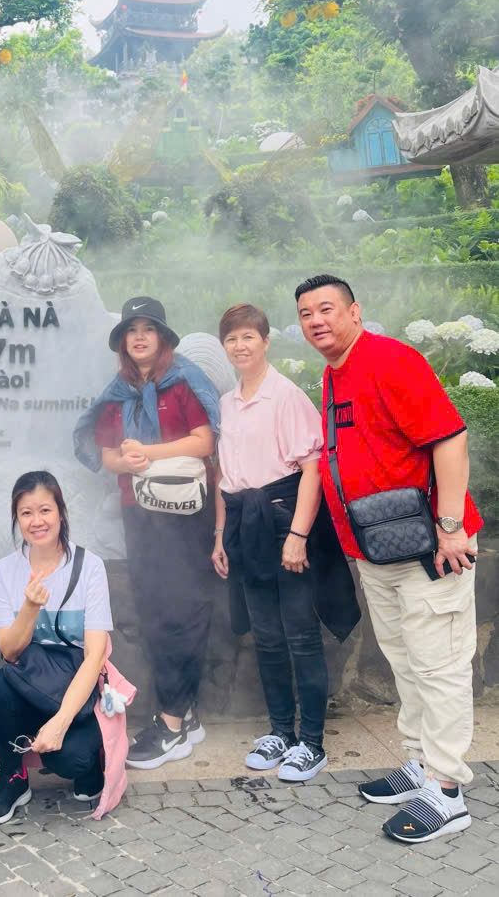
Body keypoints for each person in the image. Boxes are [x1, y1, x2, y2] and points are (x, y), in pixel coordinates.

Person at [296, 274, 482, 843]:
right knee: (406, 661)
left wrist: (450, 527)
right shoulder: (336, 373)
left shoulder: (389, 361)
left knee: (438, 666)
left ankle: (446, 791)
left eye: (326, 308)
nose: (316, 320)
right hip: (379, 552)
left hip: (430, 548)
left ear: (355, 312)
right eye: (305, 314)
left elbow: (449, 438)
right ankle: (420, 762)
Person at [212, 303, 359, 783]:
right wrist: (220, 535)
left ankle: (311, 742)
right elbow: (225, 478)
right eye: (231, 338)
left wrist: (297, 536)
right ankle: (280, 731)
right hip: (244, 525)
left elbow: (312, 469)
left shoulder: (286, 396)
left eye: (248, 337)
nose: (240, 346)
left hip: (283, 520)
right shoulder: (227, 402)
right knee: (267, 637)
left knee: (300, 634)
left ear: (265, 341)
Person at [74, 297, 221, 770]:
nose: (139, 338)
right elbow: (107, 455)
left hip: (184, 513)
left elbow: (205, 441)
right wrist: (127, 460)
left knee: (181, 610)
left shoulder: (183, 382)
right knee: (154, 611)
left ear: (163, 337)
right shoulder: (119, 392)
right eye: (131, 331)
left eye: (148, 329)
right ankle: (183, 714)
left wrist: (149, 453)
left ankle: (172, 722)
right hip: (139, 512)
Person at [0, 471, 117, 825]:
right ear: (16, 518)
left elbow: (95, 655)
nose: (36, 521)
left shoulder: (90, 567)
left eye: (45, 510)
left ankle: (88, 758)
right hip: (28, 679)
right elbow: (9, 652)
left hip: (74, 683)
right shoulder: (6, 570)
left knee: (72, 761)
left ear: (61, 513)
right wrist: (29, 607)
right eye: (26, 513)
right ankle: (12, 776)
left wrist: (60, 723)